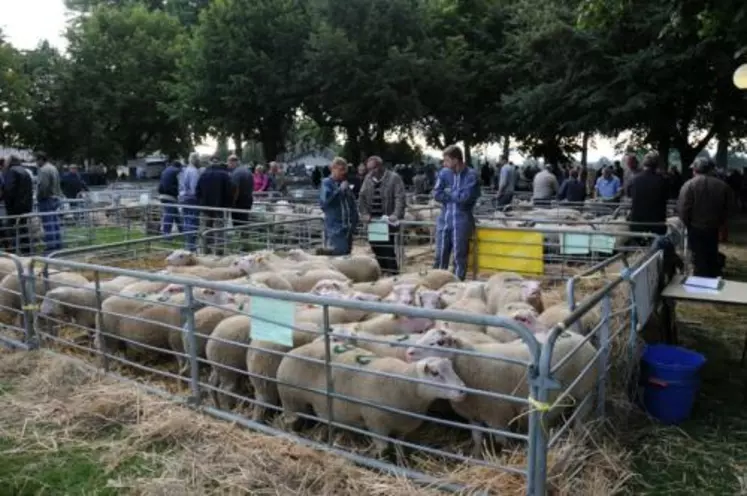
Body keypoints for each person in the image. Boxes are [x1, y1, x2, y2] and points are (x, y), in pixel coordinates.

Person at [677, 158, 734, 278]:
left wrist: (688, 224)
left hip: (695, 227)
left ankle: (700, 280)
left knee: (698, 257)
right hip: (713, 227)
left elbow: (683, 209)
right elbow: (729, 209)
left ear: (695, 170)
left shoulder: (688, 185)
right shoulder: (723, 186)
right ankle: (712, 277)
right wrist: (720, 223)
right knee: (711, 254)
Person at [433, 145, 480, 281]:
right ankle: (437, 281)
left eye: (446, 160)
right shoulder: (444, 173)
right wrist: (455, 194)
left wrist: (448, 192)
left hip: (462, 221)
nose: (444, 163)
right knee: (440, 254)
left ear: (456, 160)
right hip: (445, 219)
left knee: (459, 256)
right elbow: (436, 194)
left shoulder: (471, 175)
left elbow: (465, 198)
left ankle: (457, 284)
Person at [358, 155, 406, 275]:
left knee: (388, 249)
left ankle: (393, 274)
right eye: (368, 169)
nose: (370, 172)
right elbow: (362, 197)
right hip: (373, 221)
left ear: (380, 166)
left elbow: (400, 197)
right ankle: (385, 271)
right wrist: (364, 213)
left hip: (386, 221)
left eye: (373, 168)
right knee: (376, 247)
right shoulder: (368, 178)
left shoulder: (394, 178)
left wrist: (396, 214)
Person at [319, 157, 358, 256]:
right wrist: (339, 191)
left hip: (348, 228)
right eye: (341, 170)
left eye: (344, 170)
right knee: (338, 255)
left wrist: (355, 220)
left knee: (347, 256)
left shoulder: (344, 184)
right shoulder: (326, 183)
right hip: (335, 229)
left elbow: (352, 203)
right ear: (333, 168)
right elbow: (325, 203)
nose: (343, 173)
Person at [628, 152, 669, 242]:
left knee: (637, 251)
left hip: (637, 223)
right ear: (657, 165)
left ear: (644, 163)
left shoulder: (634, 179)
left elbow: (629, 195)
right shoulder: (663, 180)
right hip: (657, 224)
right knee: (657, 252)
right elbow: (667, 196)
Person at [196, 157, 232, 255]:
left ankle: (204, 250)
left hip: (205, 207)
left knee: (205, 228)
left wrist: (201, 202)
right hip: (220, 207)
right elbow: (229, 192)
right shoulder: (225, 175)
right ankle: (218, 252)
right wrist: (228, 205)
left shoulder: (203, 175)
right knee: (219, 229)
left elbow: (197, 191)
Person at [3, 156, 34, 255]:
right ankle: (26, 251)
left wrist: (5, 199)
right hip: (26, 206)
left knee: (12, 229)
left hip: (14, 207)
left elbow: (9, 189)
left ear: (10, 162)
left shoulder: (11, 172)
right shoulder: (25, 172)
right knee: (23, 229)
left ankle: (14, 252)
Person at [36, 152, 63, 254]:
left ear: (41, 160)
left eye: (37, 160)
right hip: (55, 197)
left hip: (47, 199)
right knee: (54, 222)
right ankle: (57, 243)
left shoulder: (43, 170)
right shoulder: (53, 168)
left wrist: (39, 197)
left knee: (48, 223)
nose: (36, 163)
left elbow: (43, 186)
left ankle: (51, 246)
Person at [228, 154, 254, 250]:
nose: (228, 165)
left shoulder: (236, 173)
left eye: (229, 162)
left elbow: (236, 189)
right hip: (248, 201)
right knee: (245, 222)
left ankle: (241, 245)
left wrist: (233, 202)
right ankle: (245, 243)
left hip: (239, 202)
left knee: (238, 223)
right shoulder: (248, 171)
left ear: (232, 162)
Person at [179, 152, 201, 252]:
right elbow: (194, 189)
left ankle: (188, 245)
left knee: (187, 222)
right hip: (192, 200)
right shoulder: (194, 172)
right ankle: (191, 247)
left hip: (184, 198)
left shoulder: (186, 170)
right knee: (193, 222)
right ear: (196, 160)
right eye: (199, 159)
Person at [158, 160, 183, 235]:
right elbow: (180, 184)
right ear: (179, 167)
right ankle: (166, 234)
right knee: (169, 215)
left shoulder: (166, 170)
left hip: (162, 195)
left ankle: (182, 231)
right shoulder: (176, 171)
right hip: (170, 196)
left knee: (176, 214)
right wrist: (178, 193)